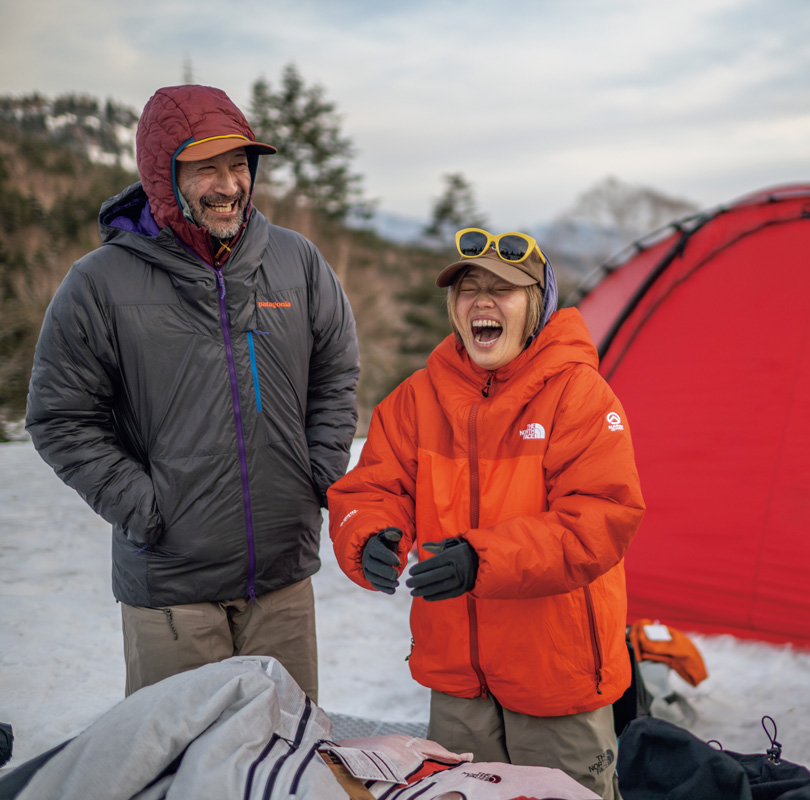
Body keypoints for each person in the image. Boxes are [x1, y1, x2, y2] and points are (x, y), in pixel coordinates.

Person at [25, 85, 359, 703]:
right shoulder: (98, 283)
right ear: (163, 174)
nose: (229, 185)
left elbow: (336, 373)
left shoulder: (298, 262)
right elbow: (60, 417)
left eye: (239, 164)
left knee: (287, 753)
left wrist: (315, 473)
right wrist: (147, 510)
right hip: (172, 592)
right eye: (206, 167)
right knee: (181, 755)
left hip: (282, 582)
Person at [328, 228, 644, 800]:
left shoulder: (579, 395)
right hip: (458, 681)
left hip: (555, 675)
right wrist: (369, 534)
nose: (482, 302)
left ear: (537, 307)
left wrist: (483, 559)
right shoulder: (417, 397)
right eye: (469, 289)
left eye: (503, 290)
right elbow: (372, 487)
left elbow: (600, 519)